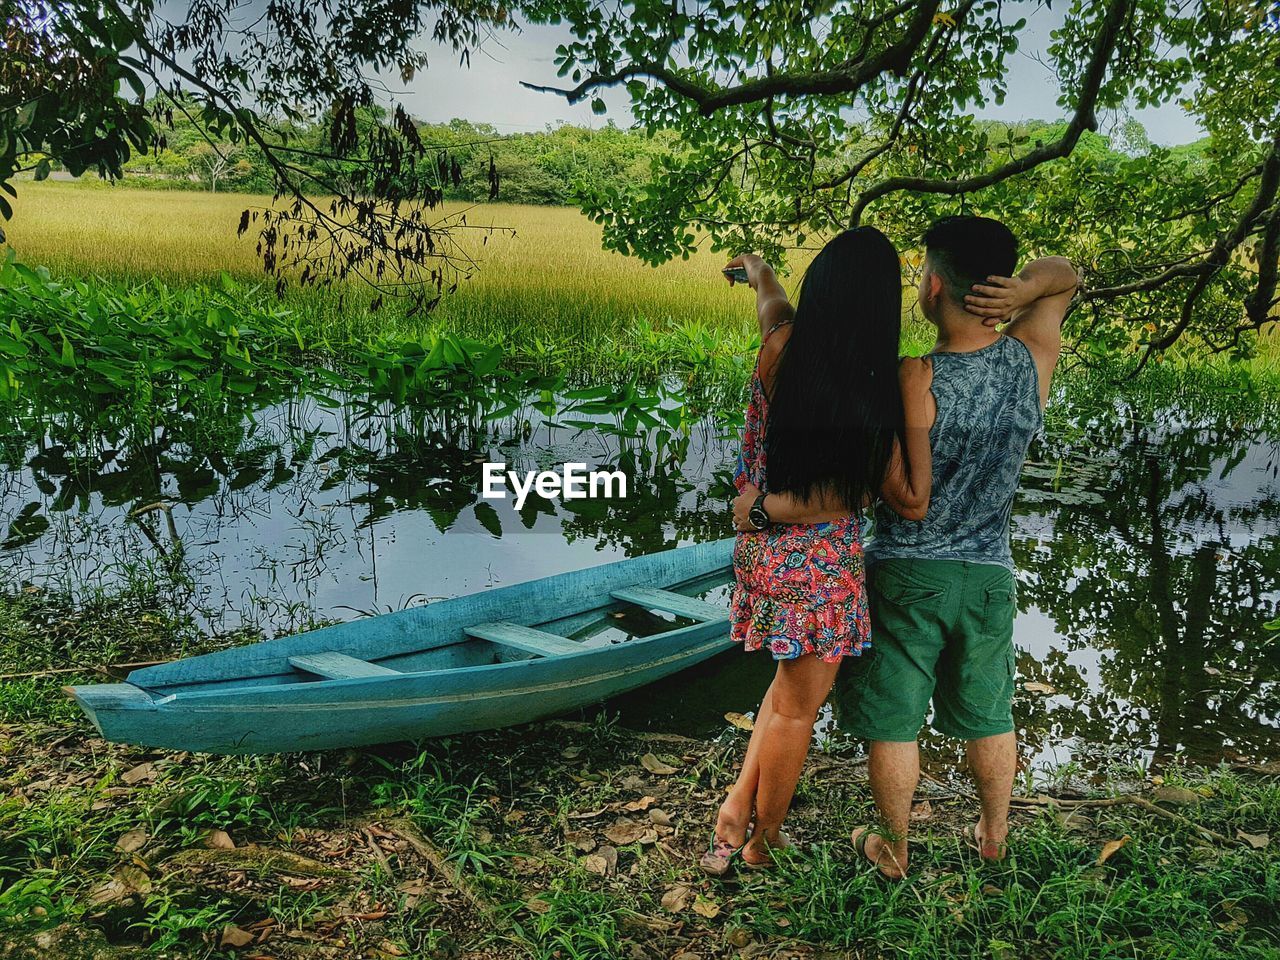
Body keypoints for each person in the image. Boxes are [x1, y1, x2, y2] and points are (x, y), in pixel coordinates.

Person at [761, 215, 1078, 879]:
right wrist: (1026, 290)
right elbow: (1064, 276)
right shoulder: (1031, 358)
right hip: (990, 572)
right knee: (990, 710)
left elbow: (908, 496)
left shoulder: (916, 375)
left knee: (894, 722)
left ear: (934, 287)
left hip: (908, 570)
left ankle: (894, 847)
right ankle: (993, 835)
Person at [701, 227, 936, 874]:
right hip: (821, 573)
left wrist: (759, 270)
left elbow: (772, 304)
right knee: (798, 712)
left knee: (783, 693)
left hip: (762, 559)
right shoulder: (875, 394)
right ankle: (763, 841)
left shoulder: (781, 348)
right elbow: (872, 497)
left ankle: (735, 810)